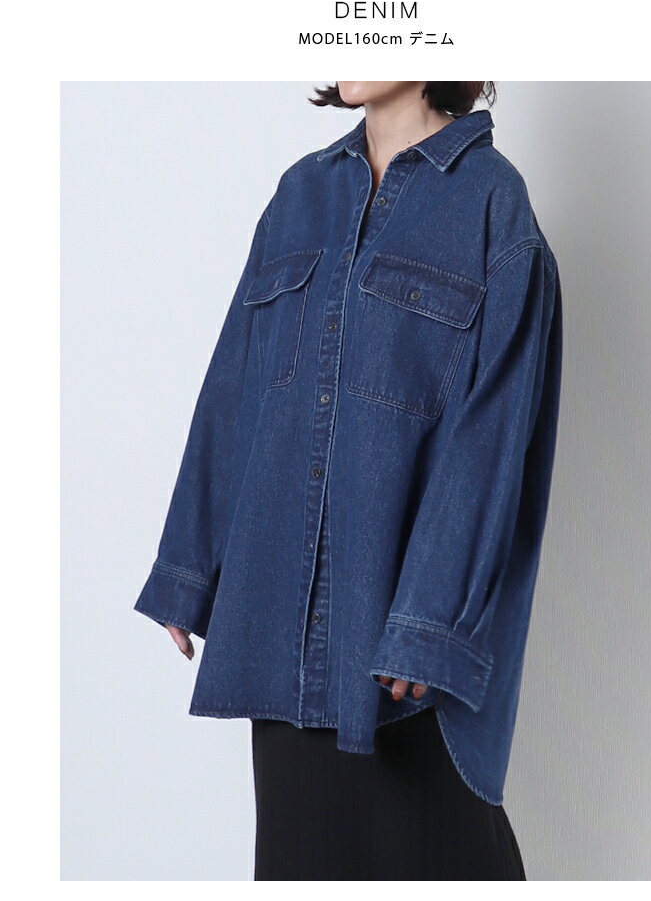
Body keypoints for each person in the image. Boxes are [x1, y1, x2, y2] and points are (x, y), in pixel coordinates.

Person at [134, 81, 563, 880]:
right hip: (275, 633)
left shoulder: (491, 204)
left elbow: (493, 438)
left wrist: (430, 624)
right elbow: (236, 384)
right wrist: (188, 568)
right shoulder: (299, 196)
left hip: (401, 660)